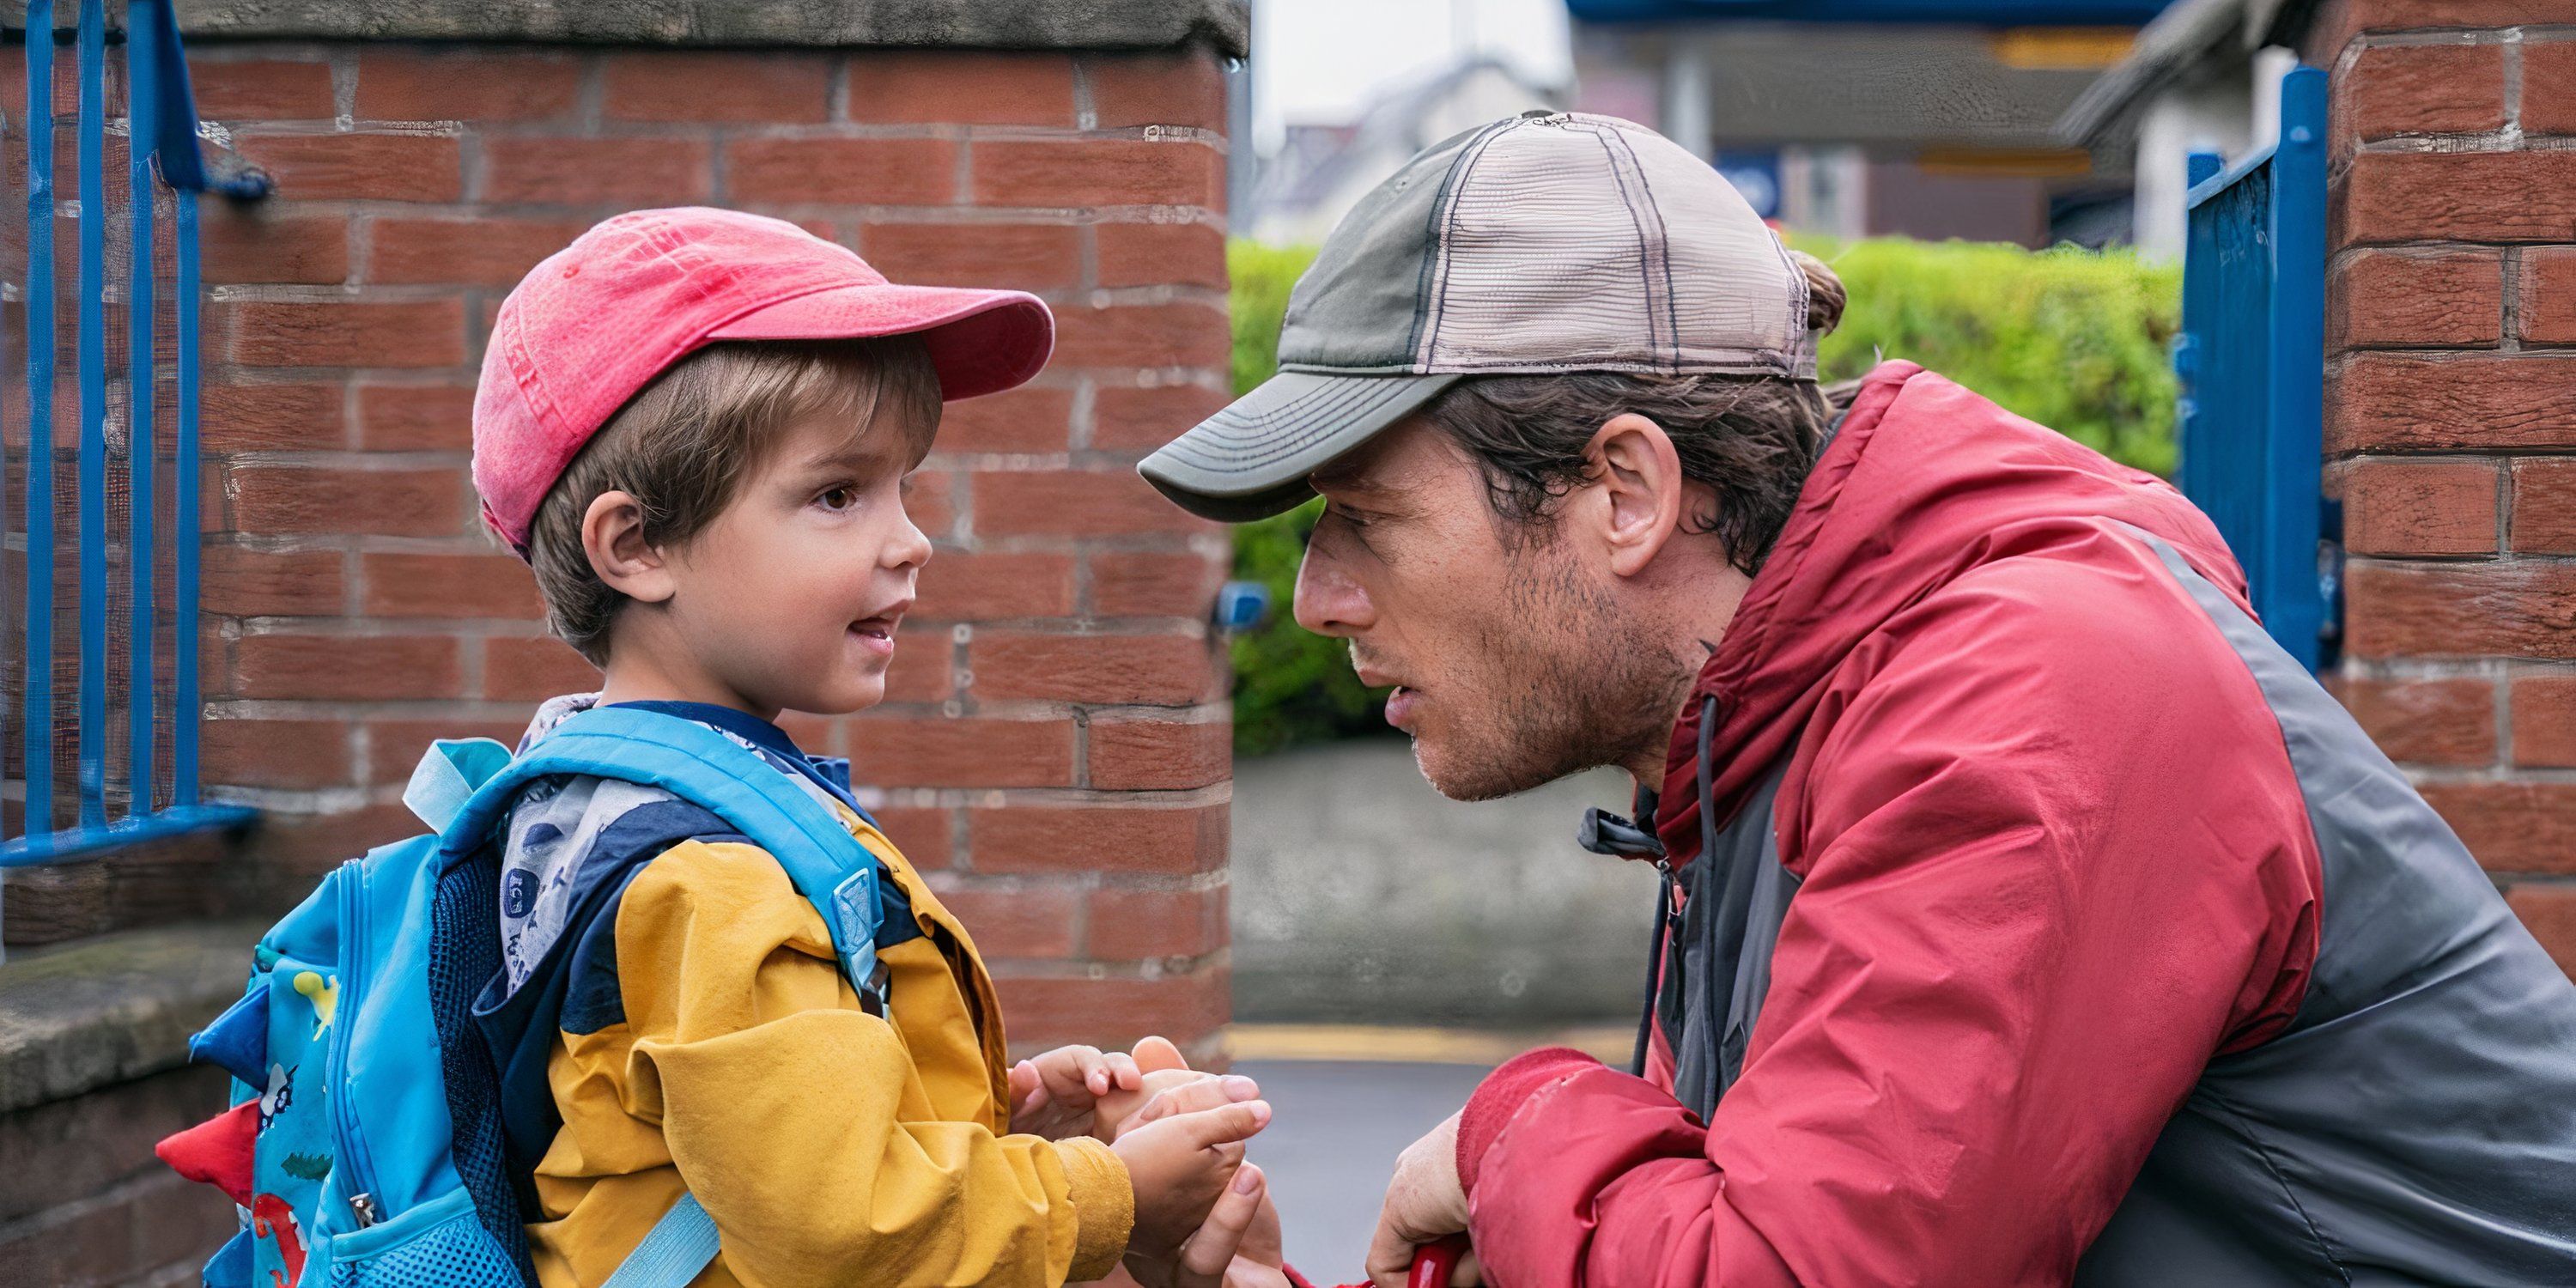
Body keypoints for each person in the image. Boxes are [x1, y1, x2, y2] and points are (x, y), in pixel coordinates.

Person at [1140, 112, 2576, 1286]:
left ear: (1624, 492)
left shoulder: (2031, 692)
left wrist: (1518, 1125)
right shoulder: (1761, 734)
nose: (1320, 594)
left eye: (1368, 520)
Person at [470, 207, 1285, 1287]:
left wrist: (991, 1121)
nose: (911, 539)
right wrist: (1110, 1198)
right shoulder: (708, 882)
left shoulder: (608, 790)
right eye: (837, 494)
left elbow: (751, 1152)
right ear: (639, 545)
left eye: (907, 485)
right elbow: (849, 1237)